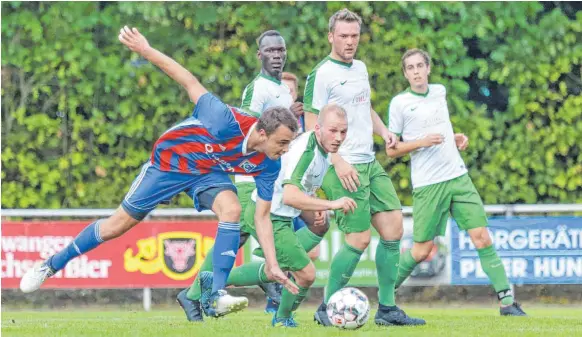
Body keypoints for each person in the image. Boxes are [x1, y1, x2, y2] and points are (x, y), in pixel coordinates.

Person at [20, 26, 300, 318]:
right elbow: (188, 80)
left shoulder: (270, 162)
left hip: (206, 171)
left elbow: (262, 216)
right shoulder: (224, 120)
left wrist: (272, 265)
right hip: (170, 162)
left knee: (232, 210)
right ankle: (51, 264)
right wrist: (144, 49)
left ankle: (214, 295)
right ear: (263, 133)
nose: (285, 149)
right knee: (116, 226)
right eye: (282, 142)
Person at [179, 30, 325, 320]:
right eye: (270, 51)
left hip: (274, 182)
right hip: (252, 181)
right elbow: (247, 131)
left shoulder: (282, 90)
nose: (277, 56)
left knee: (236, 239)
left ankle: (196, 293)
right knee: (245, 237)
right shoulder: (257, 88)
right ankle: (259, 275)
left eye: (281, 51)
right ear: (260, 55)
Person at [303, 9, 425, 326]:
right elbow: (311, 124)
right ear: (331, 36)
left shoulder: (360, 68)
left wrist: (383, 131)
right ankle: (325, 308)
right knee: (358, 239)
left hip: (369, 162)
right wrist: (337, 159)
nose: (349, 42)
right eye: (343, 35)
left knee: (393, 228)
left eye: (354, 35)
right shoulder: (321, 74)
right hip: (340, 165)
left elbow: (364, 107)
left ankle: (387, 309)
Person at [387, 48, 526, 316]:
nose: (416, 71)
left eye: (420, 66)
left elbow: (442, 127)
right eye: (410, 68)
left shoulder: (439, 92)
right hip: (428, 185)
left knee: (482, 237)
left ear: (428, 68)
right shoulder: (399, 103)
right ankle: (386, 296)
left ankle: (507, 302)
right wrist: (421, 142)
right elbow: (392, 150)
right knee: (421, 250)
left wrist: (456, 137)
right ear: (405, 73)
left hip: (458, 177)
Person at [201, 104, 354, 327]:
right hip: (269, 214)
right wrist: (331, 203)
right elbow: (291, 196)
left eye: (343, 131)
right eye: (333, 130)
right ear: (318, 128)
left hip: (277, 214)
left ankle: (214, 281)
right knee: (306, 274)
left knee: (282, 269)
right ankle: (282, 319)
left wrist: (313, 201)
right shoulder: (307, 150)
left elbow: (300, 183)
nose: (339, 137)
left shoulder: (323, 149)